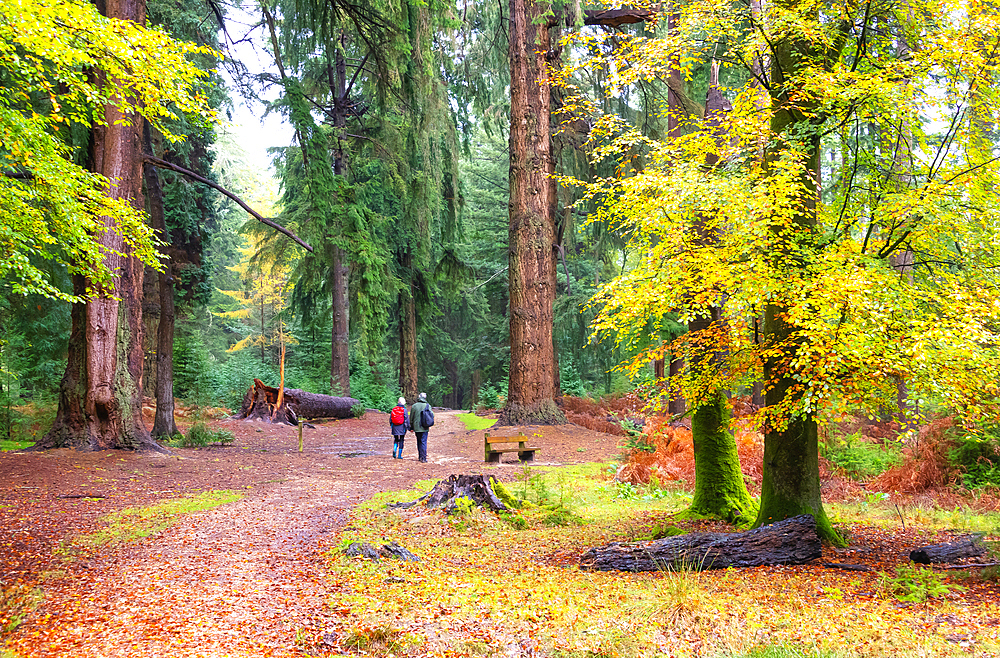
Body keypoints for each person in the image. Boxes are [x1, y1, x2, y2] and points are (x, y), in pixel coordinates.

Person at [409, 392, 432, 463]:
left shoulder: (414, 406)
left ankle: (420, 456)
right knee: (424, 442)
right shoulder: (428, 405)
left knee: (419, 441)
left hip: (417, 427)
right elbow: (432, 415)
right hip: (425, 427)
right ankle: (424, 458)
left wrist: (411, 427)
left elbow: (411, 418)